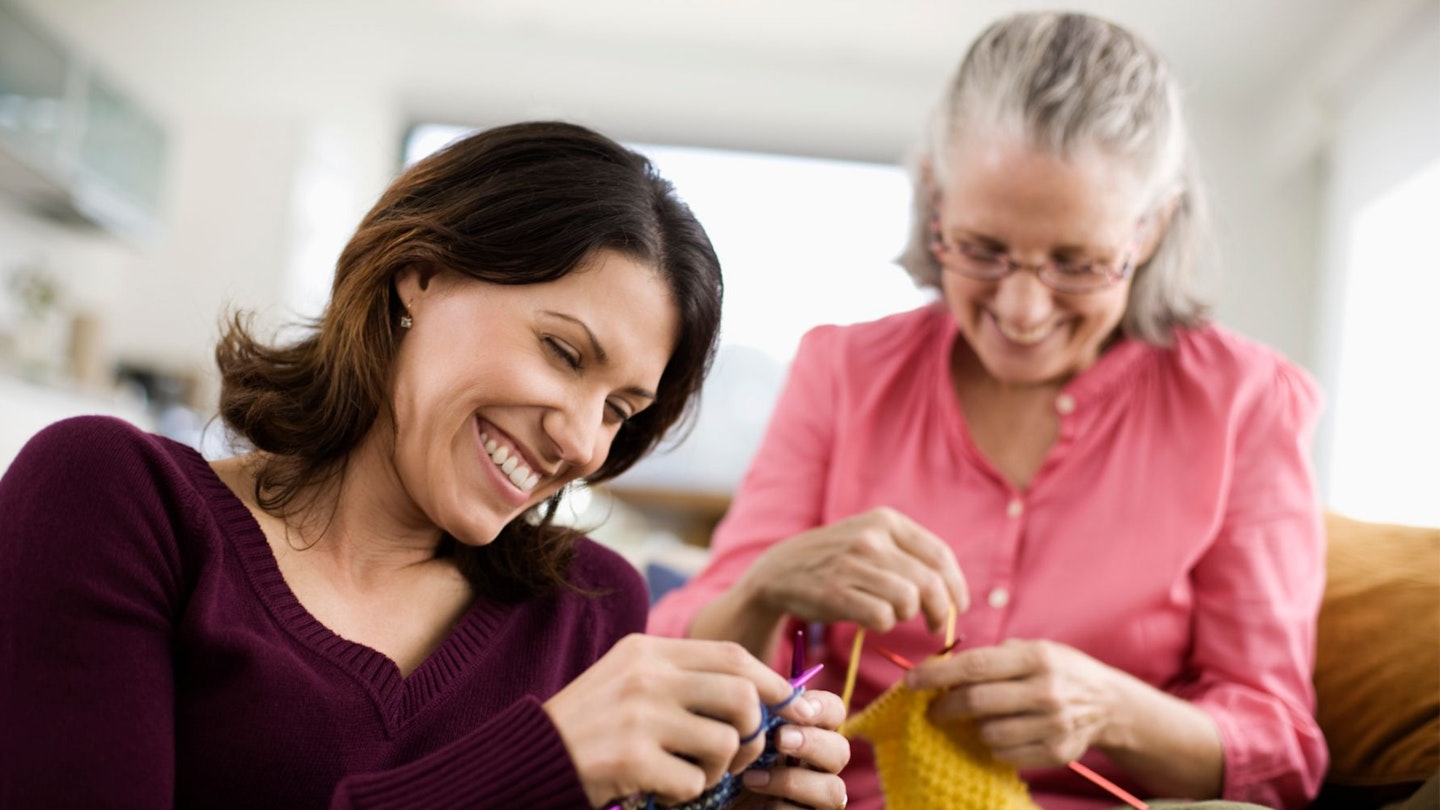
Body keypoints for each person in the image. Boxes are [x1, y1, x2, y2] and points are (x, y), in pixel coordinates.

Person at [0, 121, 850, 810]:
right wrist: (542, 765)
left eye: (621, 409)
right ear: (421, 275)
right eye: (562, 351)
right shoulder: (108, 498)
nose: (585, 442)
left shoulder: (588, 613)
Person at [649, 12, 1326, 810]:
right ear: (935, 199)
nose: (1023, 308)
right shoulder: (844, 372)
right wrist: (768, 587)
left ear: (1151, 232)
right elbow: (672, 665)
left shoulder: (1243, 403)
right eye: (982, 249)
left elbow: (1281, 755)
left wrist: (1114, 710)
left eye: (1076, 262)